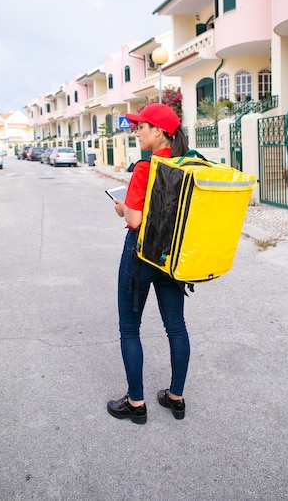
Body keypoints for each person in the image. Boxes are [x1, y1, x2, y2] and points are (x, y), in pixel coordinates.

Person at [107, 104, 190, 425]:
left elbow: (136, 218)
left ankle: (136, 403)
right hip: (172, 257)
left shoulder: (146, 167)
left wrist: (121, 208)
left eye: (141, 126)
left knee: (130, 329)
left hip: (140, 255)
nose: (136, 131)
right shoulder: (186, 165)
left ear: (159, 132)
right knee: (176, 328)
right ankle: (176, 397)